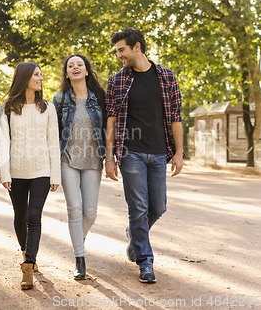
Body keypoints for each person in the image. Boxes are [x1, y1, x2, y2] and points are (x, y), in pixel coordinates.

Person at [105, 28, 183, 284]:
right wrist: (109, 157)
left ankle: (135, 235)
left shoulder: (167, 77)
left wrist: (180, 152)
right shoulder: (117, 81)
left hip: (160, 152)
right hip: (131, 153)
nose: (119, 55)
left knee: (158, 206)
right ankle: (145, 262)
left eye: (121, 50)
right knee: (138, 207)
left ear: (136, 47)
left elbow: (175, 118)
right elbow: (112, 121)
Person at [0, 62, 61, 290]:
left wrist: (55, 174)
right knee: (20, 217)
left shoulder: (48, 108)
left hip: (42, 171)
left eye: (41, 74)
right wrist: (4, 172)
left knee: (34, 216)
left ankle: (28, 265)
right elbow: (2, 142)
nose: (41, 78)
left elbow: (53, 142)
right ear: (24, 78)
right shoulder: (7, 108)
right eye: (36, 74)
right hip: (16, 172)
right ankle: (27, 251)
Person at [52, 54, 106, 280]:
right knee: (74, 211)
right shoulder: (59, 100)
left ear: (86, 71)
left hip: (93, 161)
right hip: (68, 160)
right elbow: (53, 134)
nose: (75, 68)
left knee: (90, 214)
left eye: (79, 65)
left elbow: (109, 128)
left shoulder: (100, 98)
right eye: (70, 66)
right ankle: (79, 259)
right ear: (67, 73)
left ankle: (78, 239)